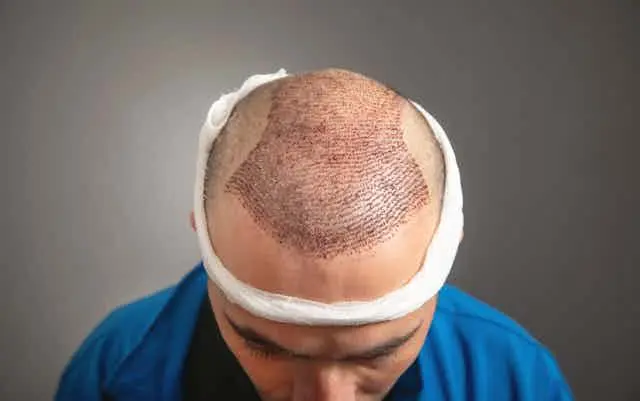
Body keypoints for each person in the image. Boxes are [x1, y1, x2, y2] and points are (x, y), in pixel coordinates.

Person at [55, 68, 573, 401]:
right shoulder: (113, 368)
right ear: (201, 231)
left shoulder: (515, 380)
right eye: (268, 348)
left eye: (374, 355)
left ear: (450, 243)